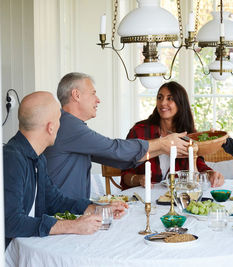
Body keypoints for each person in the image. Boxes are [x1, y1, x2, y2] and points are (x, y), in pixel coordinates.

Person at [3, 92, 127, 248]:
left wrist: (97, 209)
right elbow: (10, 222)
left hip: (28, 247)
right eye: (59, 119)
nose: (60, 125)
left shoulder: (38, 157)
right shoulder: (11, 159)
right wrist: (72, 226)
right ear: (51, 127)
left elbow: (55, 201)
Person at [44, 72, 188, 199]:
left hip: (70, 214)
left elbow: (114, 157)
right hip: (62, 218)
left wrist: (162, 148)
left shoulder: (68, 124)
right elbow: (114, 149)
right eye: (93, 93)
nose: (98, 99)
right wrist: (163, 143)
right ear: (76, 95)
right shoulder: (69, 126)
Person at [121, 81, 224, 189]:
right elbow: (125, 173)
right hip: (143, 199)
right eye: (160, 97)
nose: (162, 103)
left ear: (180, 103)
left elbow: (198, 163)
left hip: (178, 198)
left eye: (170, 98)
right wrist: (139, 179)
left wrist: (211, 174)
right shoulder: (139, 131)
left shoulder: (189, 134)